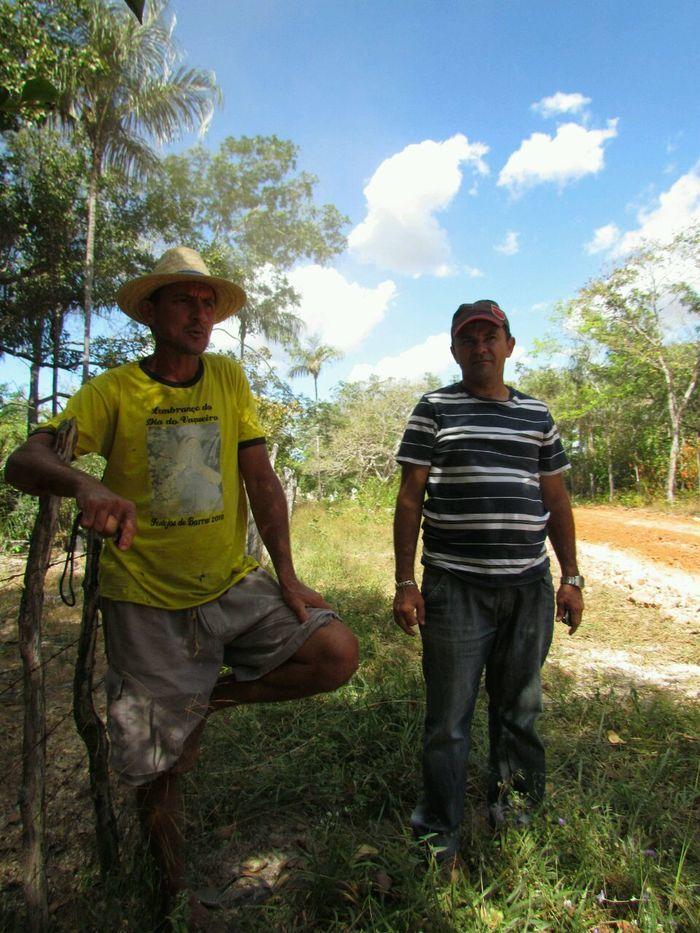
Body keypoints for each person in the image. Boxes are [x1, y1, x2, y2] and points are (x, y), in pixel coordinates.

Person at [5, 247, 359, 922]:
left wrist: (287, 575)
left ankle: (205, 702)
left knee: (336, 653)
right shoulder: (112, 391)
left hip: (230, 583)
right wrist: (87, 485)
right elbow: (24, 460)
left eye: (207, 304)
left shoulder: (226, 377)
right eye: (183, 302)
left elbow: (260, 477)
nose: (199, 316)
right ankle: (171, 898)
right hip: (145, 599)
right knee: (157, 767)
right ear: (151, 311)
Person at [393, 299, 583, 863]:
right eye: (468, 339)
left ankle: (515, 812)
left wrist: (571, 576)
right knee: (448, 719)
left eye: (490, 336)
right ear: (454, 350)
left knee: (519, 709)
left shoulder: (537, 414)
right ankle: (438, 831)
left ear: (509, 346)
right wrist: (405, 582)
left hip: (528, 587)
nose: (480, 347)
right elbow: (409, 499)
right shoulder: (434, 409)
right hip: (454, 587)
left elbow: (556, 500)